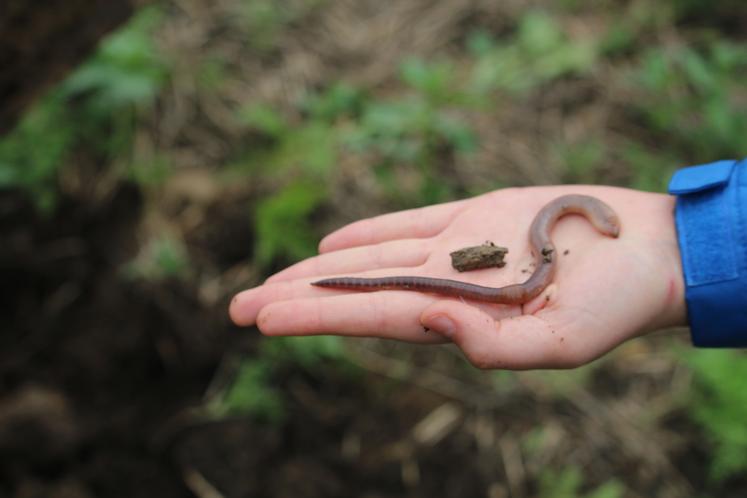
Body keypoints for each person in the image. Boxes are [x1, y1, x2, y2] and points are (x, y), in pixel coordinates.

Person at [229, 159, 746, 369]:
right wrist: (689, 240)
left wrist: (678, 245)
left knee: (412, 283)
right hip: (522, 281)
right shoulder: (548, 237)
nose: (607, 228)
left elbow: (580, 232)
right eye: (603, 224)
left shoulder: (560, 237)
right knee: (408, 281)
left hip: (522, 284)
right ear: (587, 215)